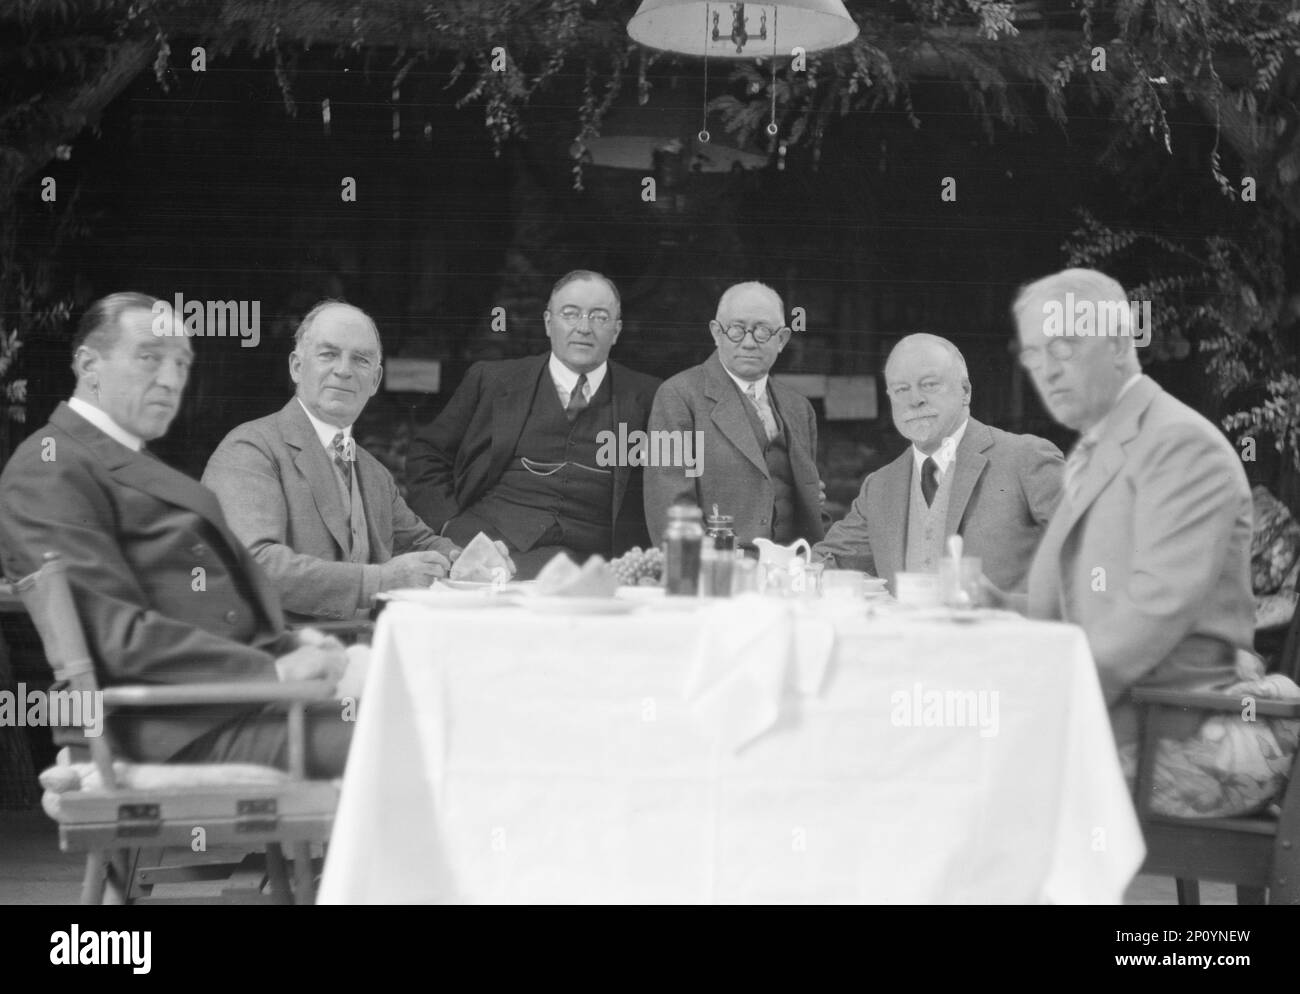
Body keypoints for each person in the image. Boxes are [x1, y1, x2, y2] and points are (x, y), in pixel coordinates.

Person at [0, 293, 351, 777]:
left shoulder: (121, 459)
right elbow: (117, 638)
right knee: (417, 740)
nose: (170, 380)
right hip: (166, 728)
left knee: (440, 701)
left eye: (181, 363)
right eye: (149, 357)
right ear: (88, 365)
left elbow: (207, 610)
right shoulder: (49, 467)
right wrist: (273, 672)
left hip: (227, 706)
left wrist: (294, 646)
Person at [1010, 268, 1299, 817]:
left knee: (949, 771)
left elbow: (1144, 622)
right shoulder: (1099, 447)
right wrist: (985, 606)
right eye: (1033, 353)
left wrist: (1017, 700)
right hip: (1117, 715)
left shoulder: (1181, 447)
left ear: (1120, 344)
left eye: (1064, 345)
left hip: (1172, 732)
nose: (1046, 369)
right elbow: (1068, 608)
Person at [203, 301, 467, 620]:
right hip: (281, 656)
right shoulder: (250, 449)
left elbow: (418, 544)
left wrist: (466, 560)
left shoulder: (372, 472)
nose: (344, 370)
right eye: (328, 354)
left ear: (374, 380)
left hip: (365, 650)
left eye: (361, 359)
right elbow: (255, 564)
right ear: (297, 367)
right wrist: (378, 581)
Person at [406, 271, 661, 579]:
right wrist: (448, 524)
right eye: (570, 314)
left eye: (599, 317)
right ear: (547, 323)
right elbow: (428, 454)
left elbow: (677, 481)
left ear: (616, 330)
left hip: (593, 565)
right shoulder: (492, 380)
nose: (583, 327)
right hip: (486, 549)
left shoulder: (650, 397)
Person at [814, 334, 1063, 592]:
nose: (915, 400)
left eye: (930, 385)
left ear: (965, 391)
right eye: (901, 389)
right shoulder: (879, 486)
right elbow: (827, 563)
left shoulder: (1026, 457)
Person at [643, 281, 824, 548]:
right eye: (737, 330)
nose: (749, 343)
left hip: (790, 571)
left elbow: (811, 509)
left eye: (763, 331)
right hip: (719, 572)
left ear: (782, 339)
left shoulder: (799, 408)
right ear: (716, 333)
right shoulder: (677, 396)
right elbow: (671, 510)